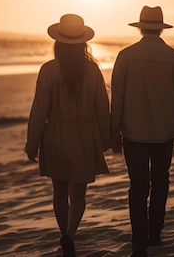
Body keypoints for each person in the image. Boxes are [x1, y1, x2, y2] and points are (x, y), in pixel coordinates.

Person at [110, 6, 174, 257]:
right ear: (160, 28)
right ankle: (155, 233)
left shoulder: (125, 56)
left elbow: (118, 98)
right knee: (160, 183)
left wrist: (113, 132)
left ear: (139, 27)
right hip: (164, 132)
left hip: (133, 134)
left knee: (137, 186)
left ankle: (138, 239)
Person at [25, 14, 110, 257]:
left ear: (58, 42)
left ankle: (64, 233)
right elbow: (102, 107)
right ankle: (71, 234)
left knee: (59, 192)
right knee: (79, 194)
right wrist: (106, 138)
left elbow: (39, 109)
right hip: (84, 137)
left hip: (55, 137)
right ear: (83, 43)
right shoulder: (93, 71)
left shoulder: (49, 70)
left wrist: (32, 142)